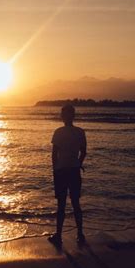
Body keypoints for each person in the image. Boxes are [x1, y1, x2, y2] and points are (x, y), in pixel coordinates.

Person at [48, 104, 87, 246]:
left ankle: (58, 235)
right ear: (74, 116)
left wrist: (54, 170)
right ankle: (80, 234)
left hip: (61, 171)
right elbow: (83, 152)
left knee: (61, 205)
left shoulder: (58, 132)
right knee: (76, 203)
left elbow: (54, 154)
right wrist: (79, 163)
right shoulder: (80, 132)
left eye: (62, 114)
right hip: (74, 171)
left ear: (63, 116)